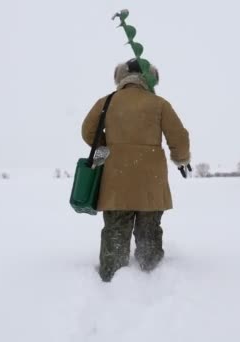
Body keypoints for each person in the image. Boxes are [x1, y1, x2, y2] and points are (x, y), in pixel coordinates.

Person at [81, 59, 191, 282]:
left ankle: (112, 274)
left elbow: (87, 131)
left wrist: (107, 146)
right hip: (150, 180)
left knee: (115, 229)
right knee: (149, 227)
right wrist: (181, 159)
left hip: (115, 179)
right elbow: (178, 136)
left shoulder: (107, 102)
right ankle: (151, 273)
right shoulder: (159, 104)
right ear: (151, 78)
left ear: (120, 77)